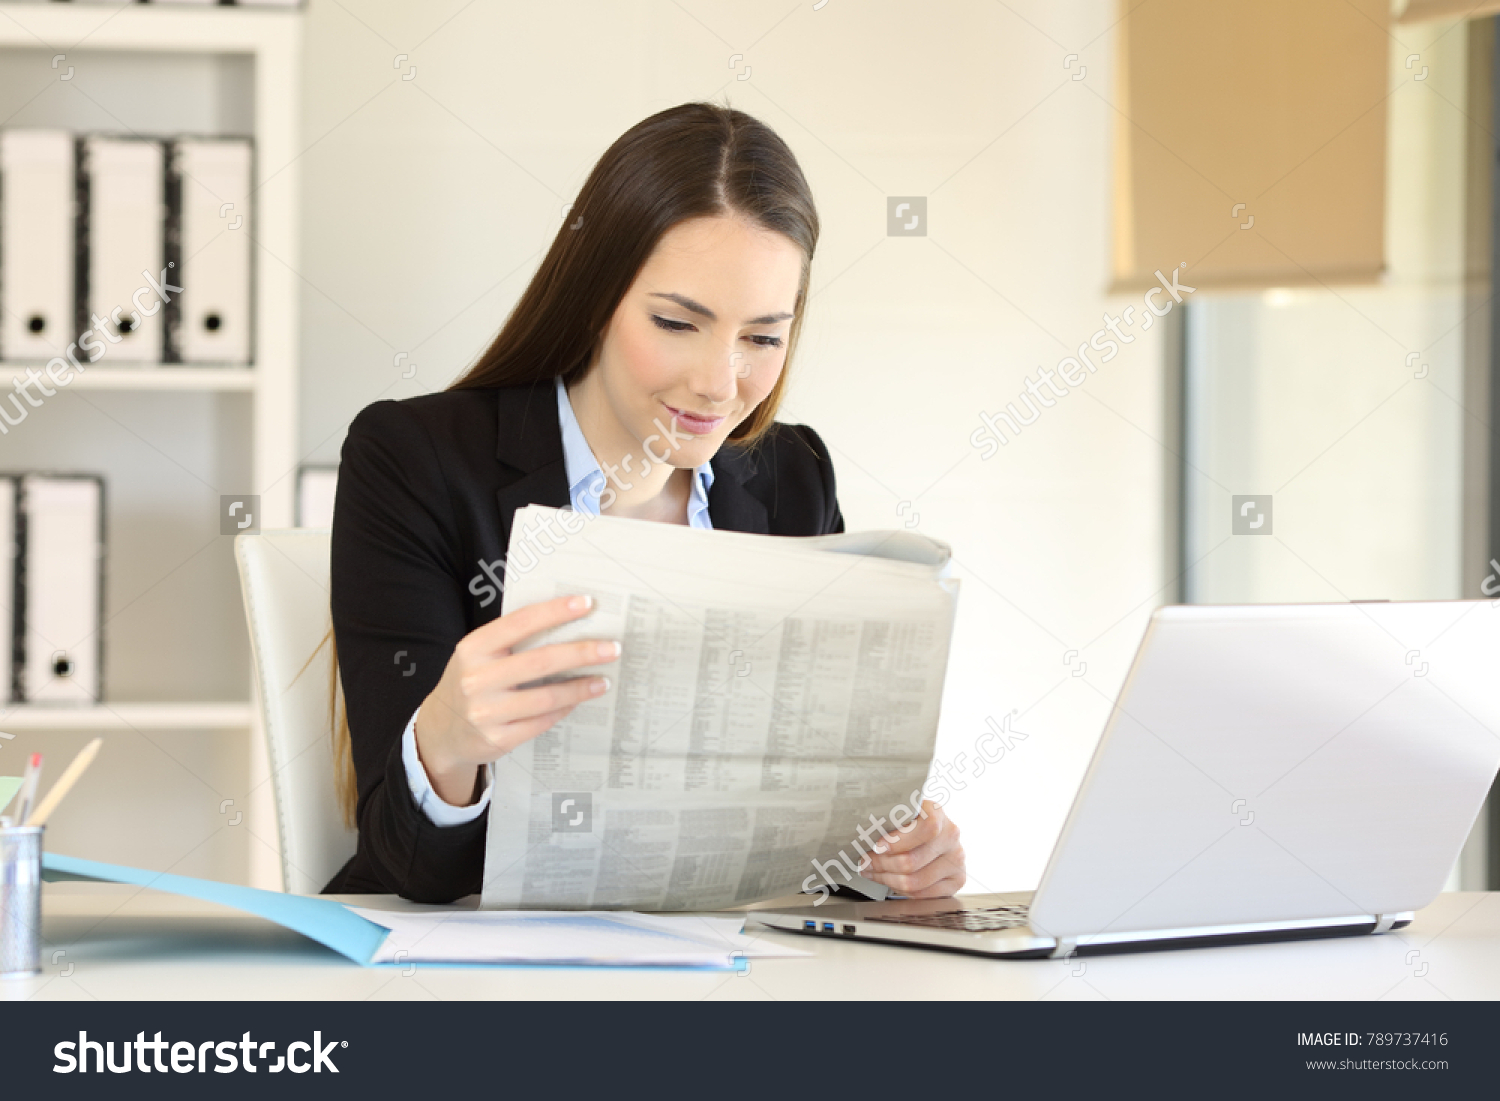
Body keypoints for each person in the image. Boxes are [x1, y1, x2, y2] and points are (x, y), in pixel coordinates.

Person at [325, 101, 966, 903]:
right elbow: (407, 867)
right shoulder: (413, 460)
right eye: (676, 322)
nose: (719, 382)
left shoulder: (794, 476)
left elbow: (802, 847)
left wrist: (888, 861)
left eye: (763, 337)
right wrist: (449, 740)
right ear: (595, 294)